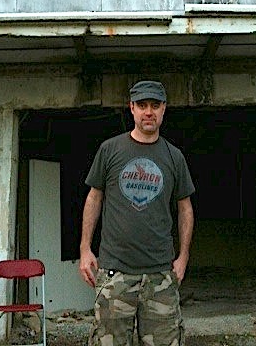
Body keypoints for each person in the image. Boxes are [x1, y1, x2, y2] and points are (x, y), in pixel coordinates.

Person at [79, 80, 195, 346]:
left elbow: (185, 207)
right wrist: (85, 249)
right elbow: (94, 198)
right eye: (142, 105)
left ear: (164, 109)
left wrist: (184, 257)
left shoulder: (174, 156)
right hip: (115, 274)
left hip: (161, 276)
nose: (148, 112)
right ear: (131, 108)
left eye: (155, 105)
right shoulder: (110, 149)